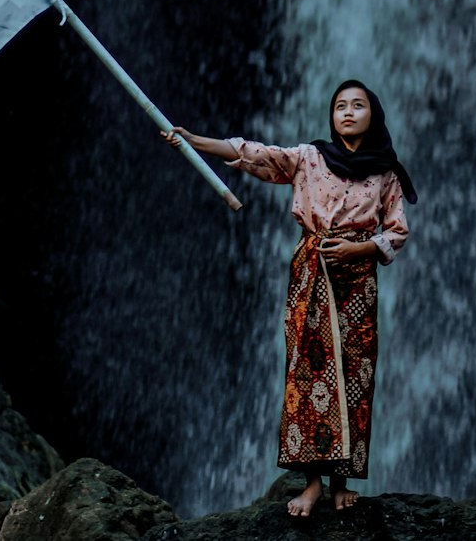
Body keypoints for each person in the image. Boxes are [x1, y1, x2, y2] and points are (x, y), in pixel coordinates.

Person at [164, 80, 417, 517]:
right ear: (331, 115)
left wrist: (359, 248)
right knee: (307, 373)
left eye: (359, 105)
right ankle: (314, 483)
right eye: (340, 106)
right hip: (311, 273)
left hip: (358, 279)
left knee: (354, 374)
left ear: (374, 114)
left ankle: (342, 483)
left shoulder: (386, 173)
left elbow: (396, 231)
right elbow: (254, 153)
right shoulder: (308, 158)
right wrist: (195, 140)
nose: (349, 112)